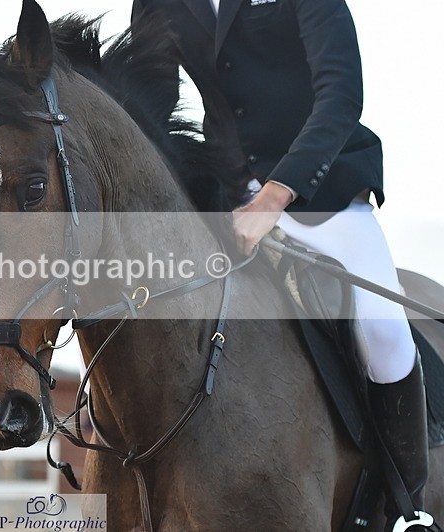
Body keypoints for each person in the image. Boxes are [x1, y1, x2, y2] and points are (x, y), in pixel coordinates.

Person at [131, 0, 431, 522]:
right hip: (224, 191)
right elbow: (150, 98)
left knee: (384, 333)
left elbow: (340, 94)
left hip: (321, 188)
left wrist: (274, 198)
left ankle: (406, 508)